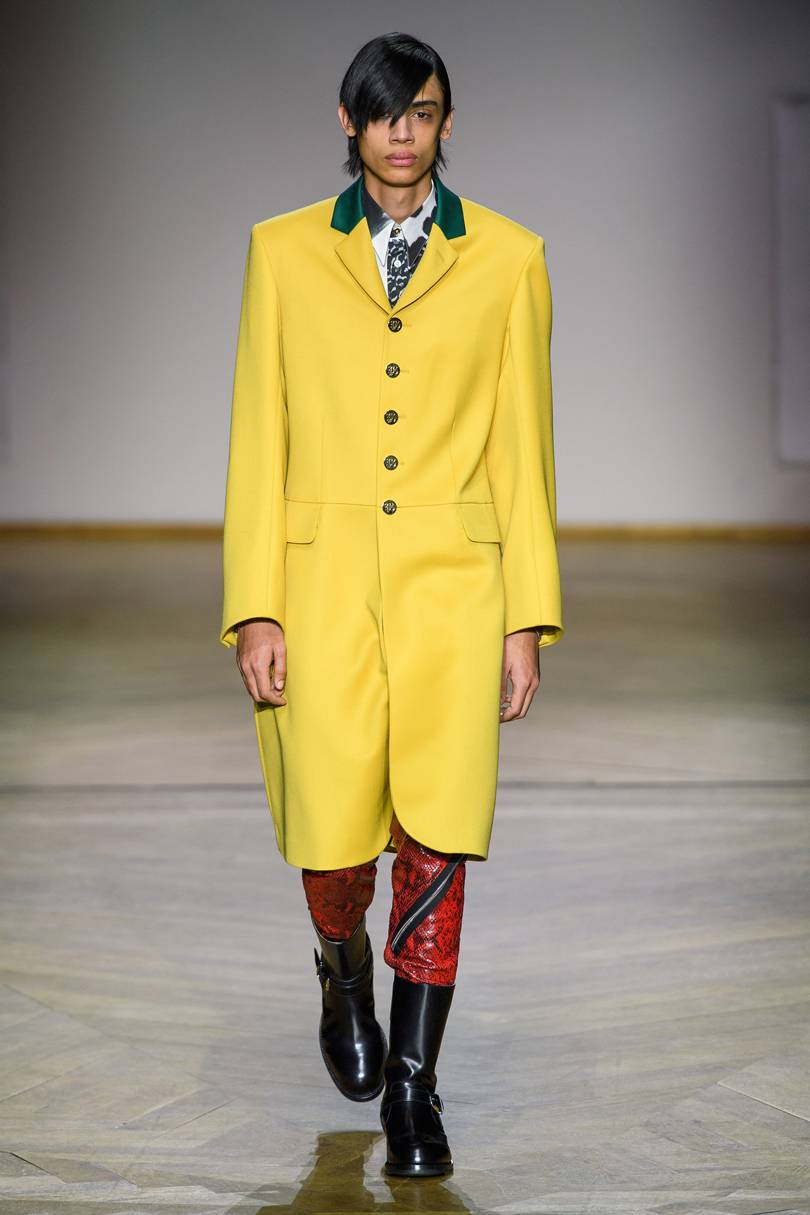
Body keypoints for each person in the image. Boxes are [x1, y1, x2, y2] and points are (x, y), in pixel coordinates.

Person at [220, 31, 563, 1179]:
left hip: (455, 591)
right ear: (348, 122)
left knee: (437, 834)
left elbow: (524, 453)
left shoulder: (509, 258)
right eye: (383, 113)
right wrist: (255, 605)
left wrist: (525, 616)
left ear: (447, 122)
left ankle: (415, 1091)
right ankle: (340, 968)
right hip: (317, 588)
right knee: (329, 836)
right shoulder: (281, 253)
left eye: (422, 111)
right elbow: (256, 439)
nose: (403, 131)